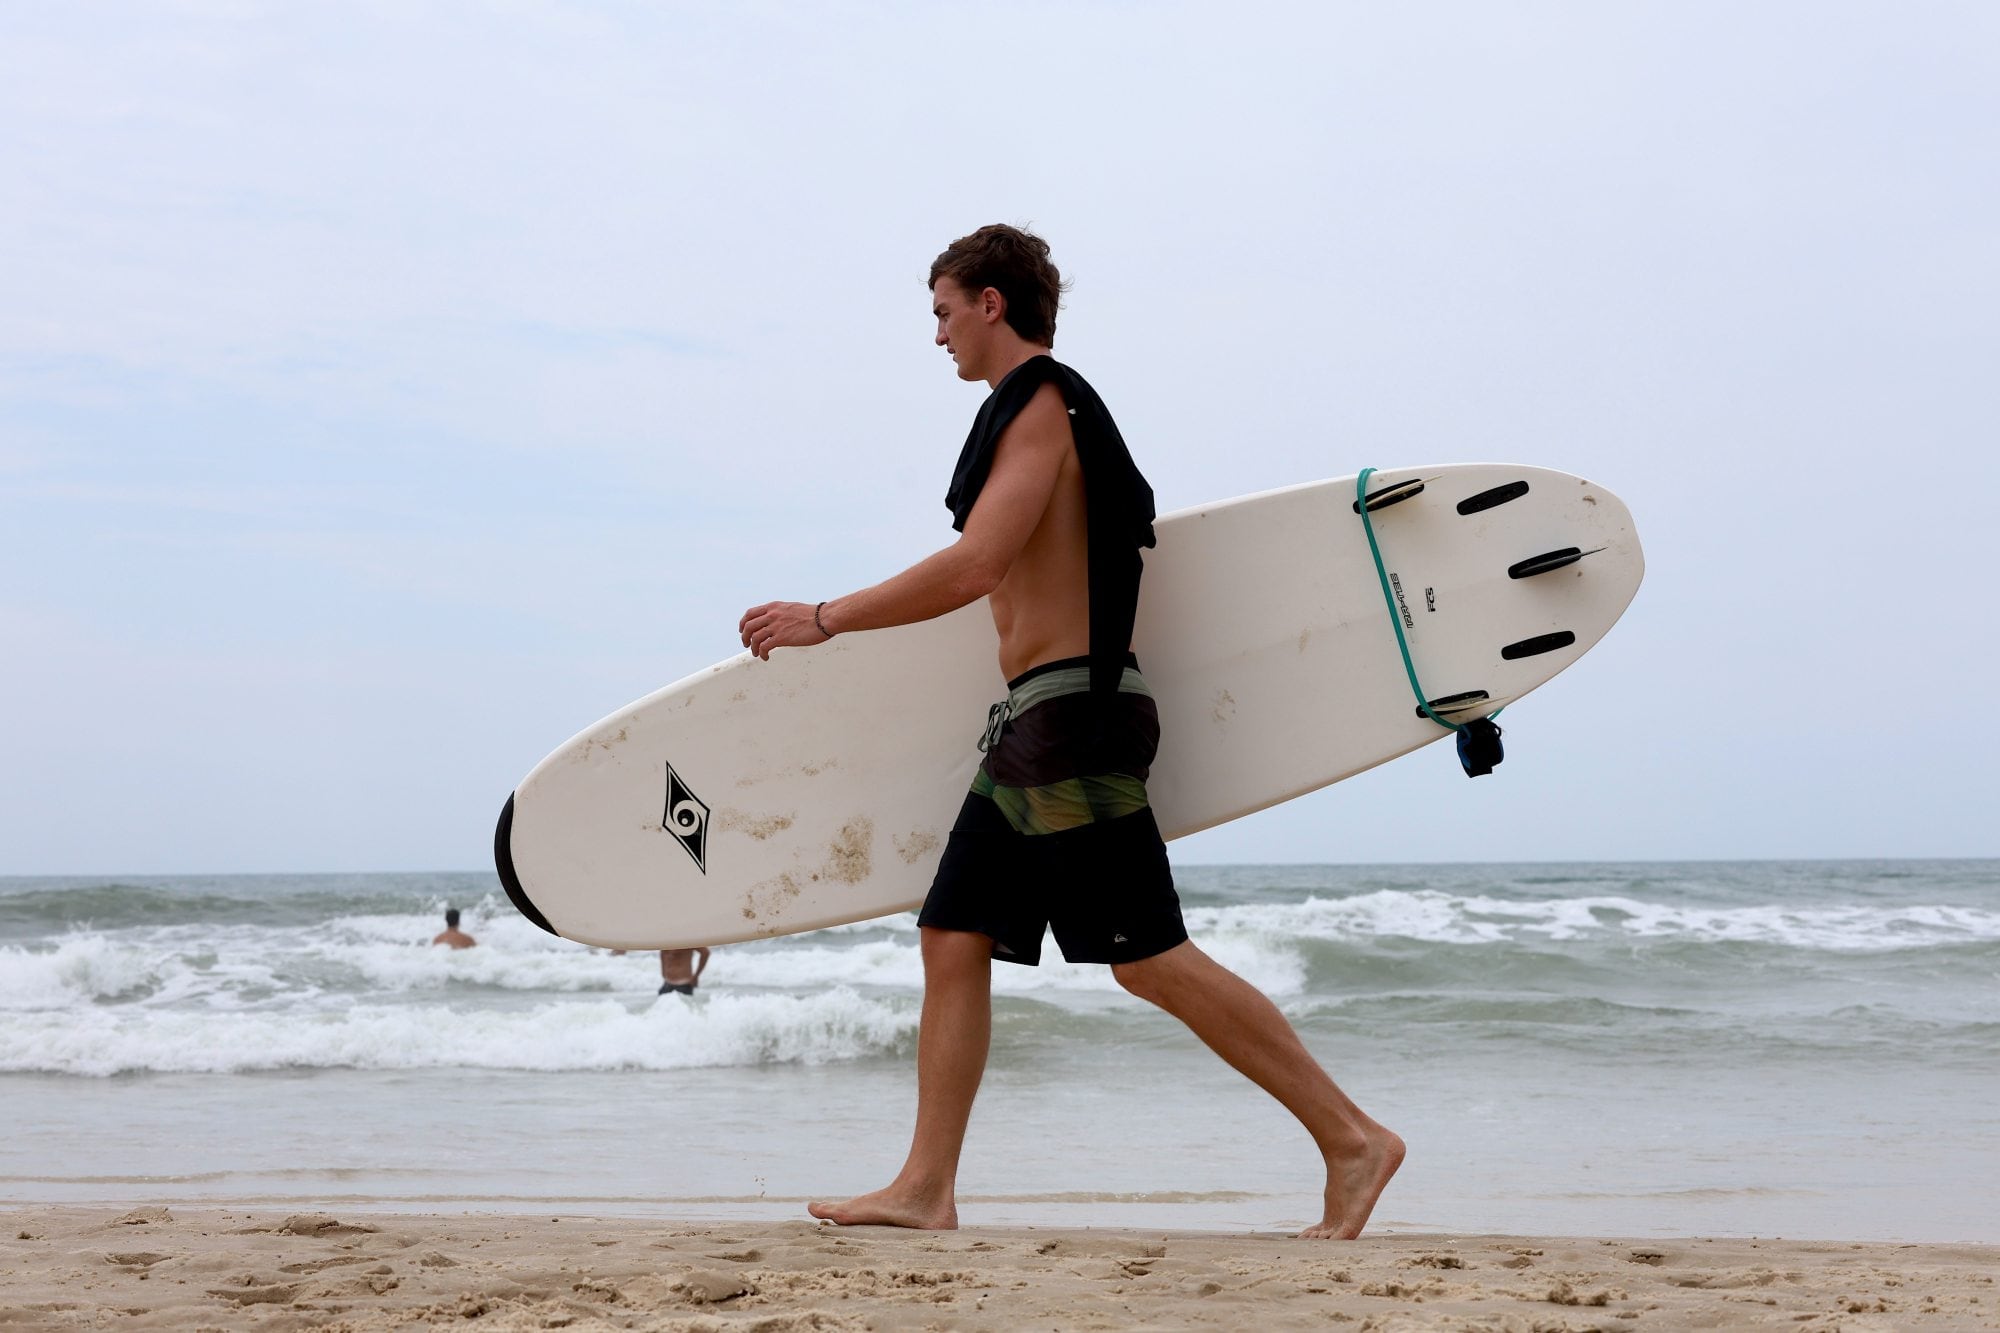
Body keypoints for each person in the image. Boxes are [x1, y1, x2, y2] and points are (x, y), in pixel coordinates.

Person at [736, 225, 1403, 1240]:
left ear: (991, 304)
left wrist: (823, 618)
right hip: (1030, 726)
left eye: (943, 311)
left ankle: (1352, 1139)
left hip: (1071, 724)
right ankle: (925, 1186)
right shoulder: (1039, 413)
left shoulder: (1043, 406)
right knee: (950, 934)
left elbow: (977, 565)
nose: (938, 336)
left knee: (1147, 957)